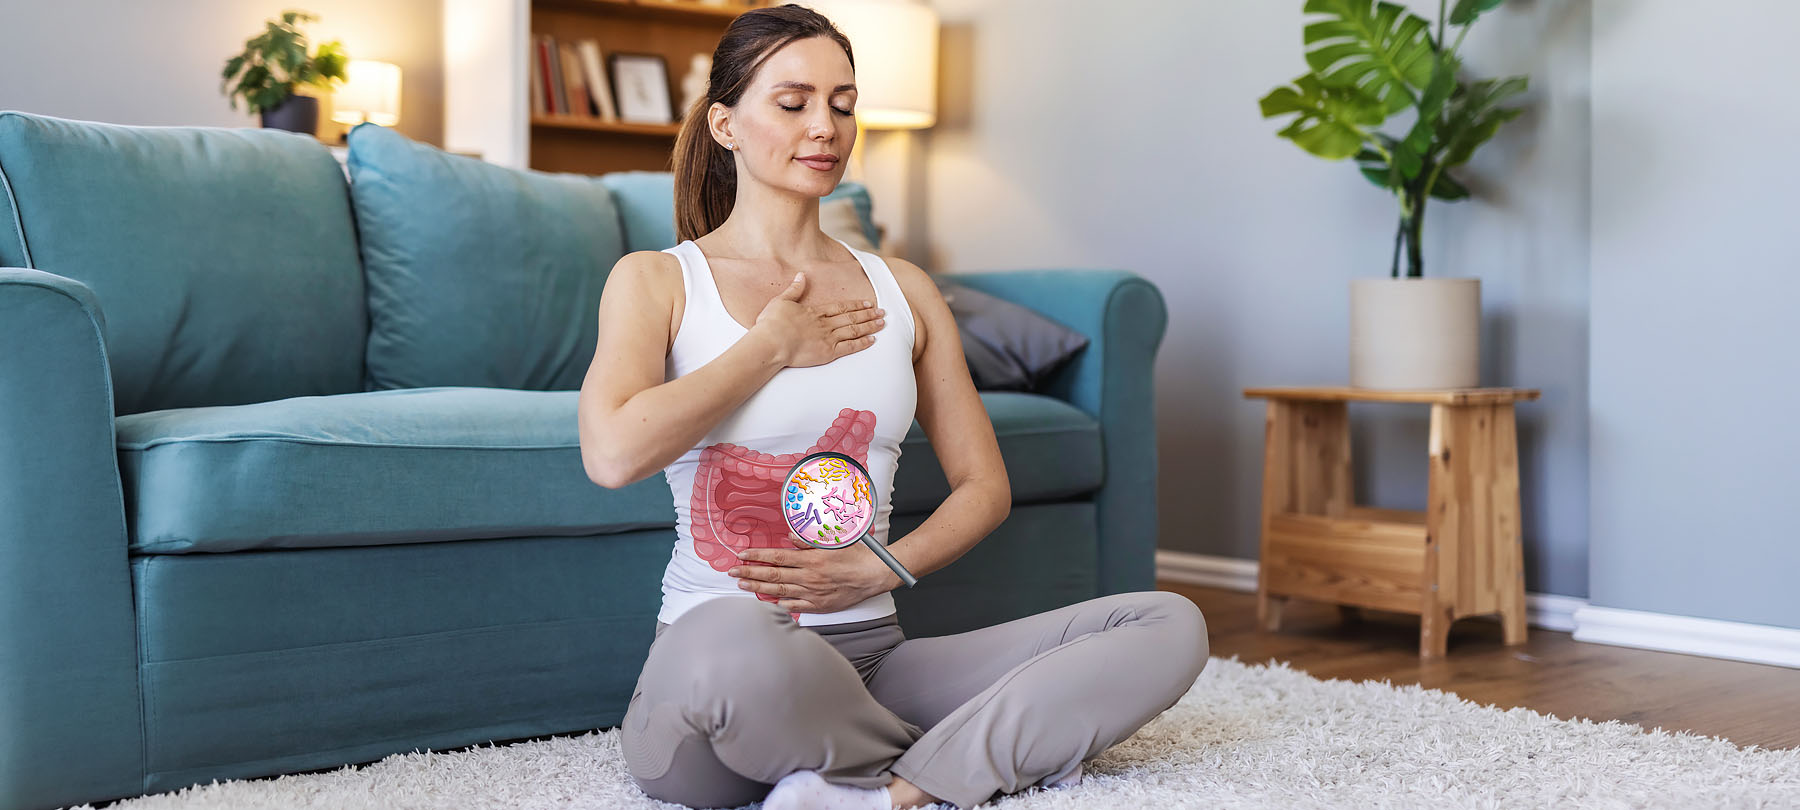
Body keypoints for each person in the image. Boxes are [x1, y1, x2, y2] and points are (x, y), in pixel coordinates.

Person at [577, 5, 1209, 809]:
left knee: (1168, 624)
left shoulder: (902, 288)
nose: (826, 127)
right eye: (794, 102)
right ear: (726, 124)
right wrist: (768, 348)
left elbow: (985, 486)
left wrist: (883, 563)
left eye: (843, 104)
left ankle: (893, 793)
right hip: (717, 684)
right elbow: (612, 453)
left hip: (875, 662)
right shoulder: (658, 281)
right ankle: (985, 754)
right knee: (732, 637)